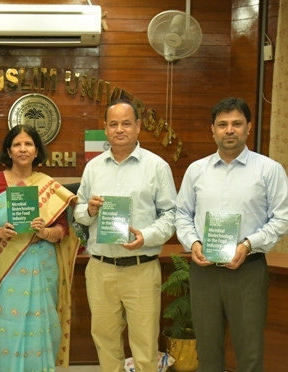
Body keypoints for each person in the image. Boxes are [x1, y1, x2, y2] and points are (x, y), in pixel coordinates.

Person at [175, 97, 288, 372]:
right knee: (207, 350)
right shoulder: (196, 170)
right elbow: (182, 215)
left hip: (247, 272)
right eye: (223, 124)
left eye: (237, 124)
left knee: (249, 351)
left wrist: (250, 244)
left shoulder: (269, 169)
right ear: (213, 130)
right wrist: (192, 242)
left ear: (248, 128)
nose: (229, 130)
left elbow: (285, 218)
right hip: (204, 271)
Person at [74, 98, 177, 372]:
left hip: (140, 269)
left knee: (144, 345)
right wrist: (91, 211)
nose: (120, 129)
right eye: (114, 124)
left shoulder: (157, 167)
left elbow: (171, 216)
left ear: (138, 126)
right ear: (105, 129)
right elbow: (79, 212)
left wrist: (146, 235)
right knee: (105, 340)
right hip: (100, 269)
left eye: (126, 123)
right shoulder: (93, 167)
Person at [0, 124, 79, 371]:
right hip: (6, 271)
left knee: (40, 324)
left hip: (42, 266)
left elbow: (63, 230)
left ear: (37, 150)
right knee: (6, 326)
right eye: (17, 144)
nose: (23, 149)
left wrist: (44, 232)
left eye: (28, 144)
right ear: (8, 151)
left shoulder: (49, 186)